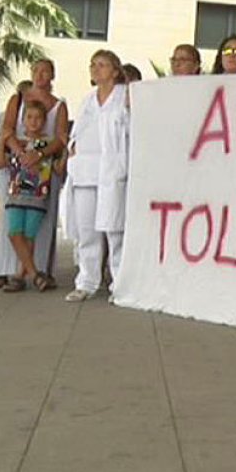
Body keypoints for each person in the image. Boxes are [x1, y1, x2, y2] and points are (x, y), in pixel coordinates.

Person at [0, 59, 68, 289]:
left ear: (52, 75)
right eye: (37, 71)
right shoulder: (19, 99)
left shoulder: (58, 105)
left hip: (42, 170)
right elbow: (7, 130)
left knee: (40, 222)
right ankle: (9, 270)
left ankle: (35, 270)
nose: (41, 75)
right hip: (18, 166)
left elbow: (61, 137)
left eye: (46, 71)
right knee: (12, 222)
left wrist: (40, 154)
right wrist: (21, 152)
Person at [64, 50, 131, 302]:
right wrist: (72, 149)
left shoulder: (125, 96)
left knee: (114, 231)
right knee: (87, 231)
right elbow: (78, 131)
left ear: (115, 70)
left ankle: (119, 284)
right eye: (93, 65)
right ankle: (86, 281)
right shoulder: (88, 99)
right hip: (85, 172)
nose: (96, 69)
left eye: (102, 65)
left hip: (112, 172)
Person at [1, 100, 56, 292]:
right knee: (14, 233)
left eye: (38, 118)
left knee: (29, 235)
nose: (33, 122)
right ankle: (34, 274)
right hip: (16, 193)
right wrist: (3, 139)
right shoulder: (16, 141)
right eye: (29, 117)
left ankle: (20, 275)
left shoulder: (47, 143)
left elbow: (56, 166)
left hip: (37, 194)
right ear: (23, 120)